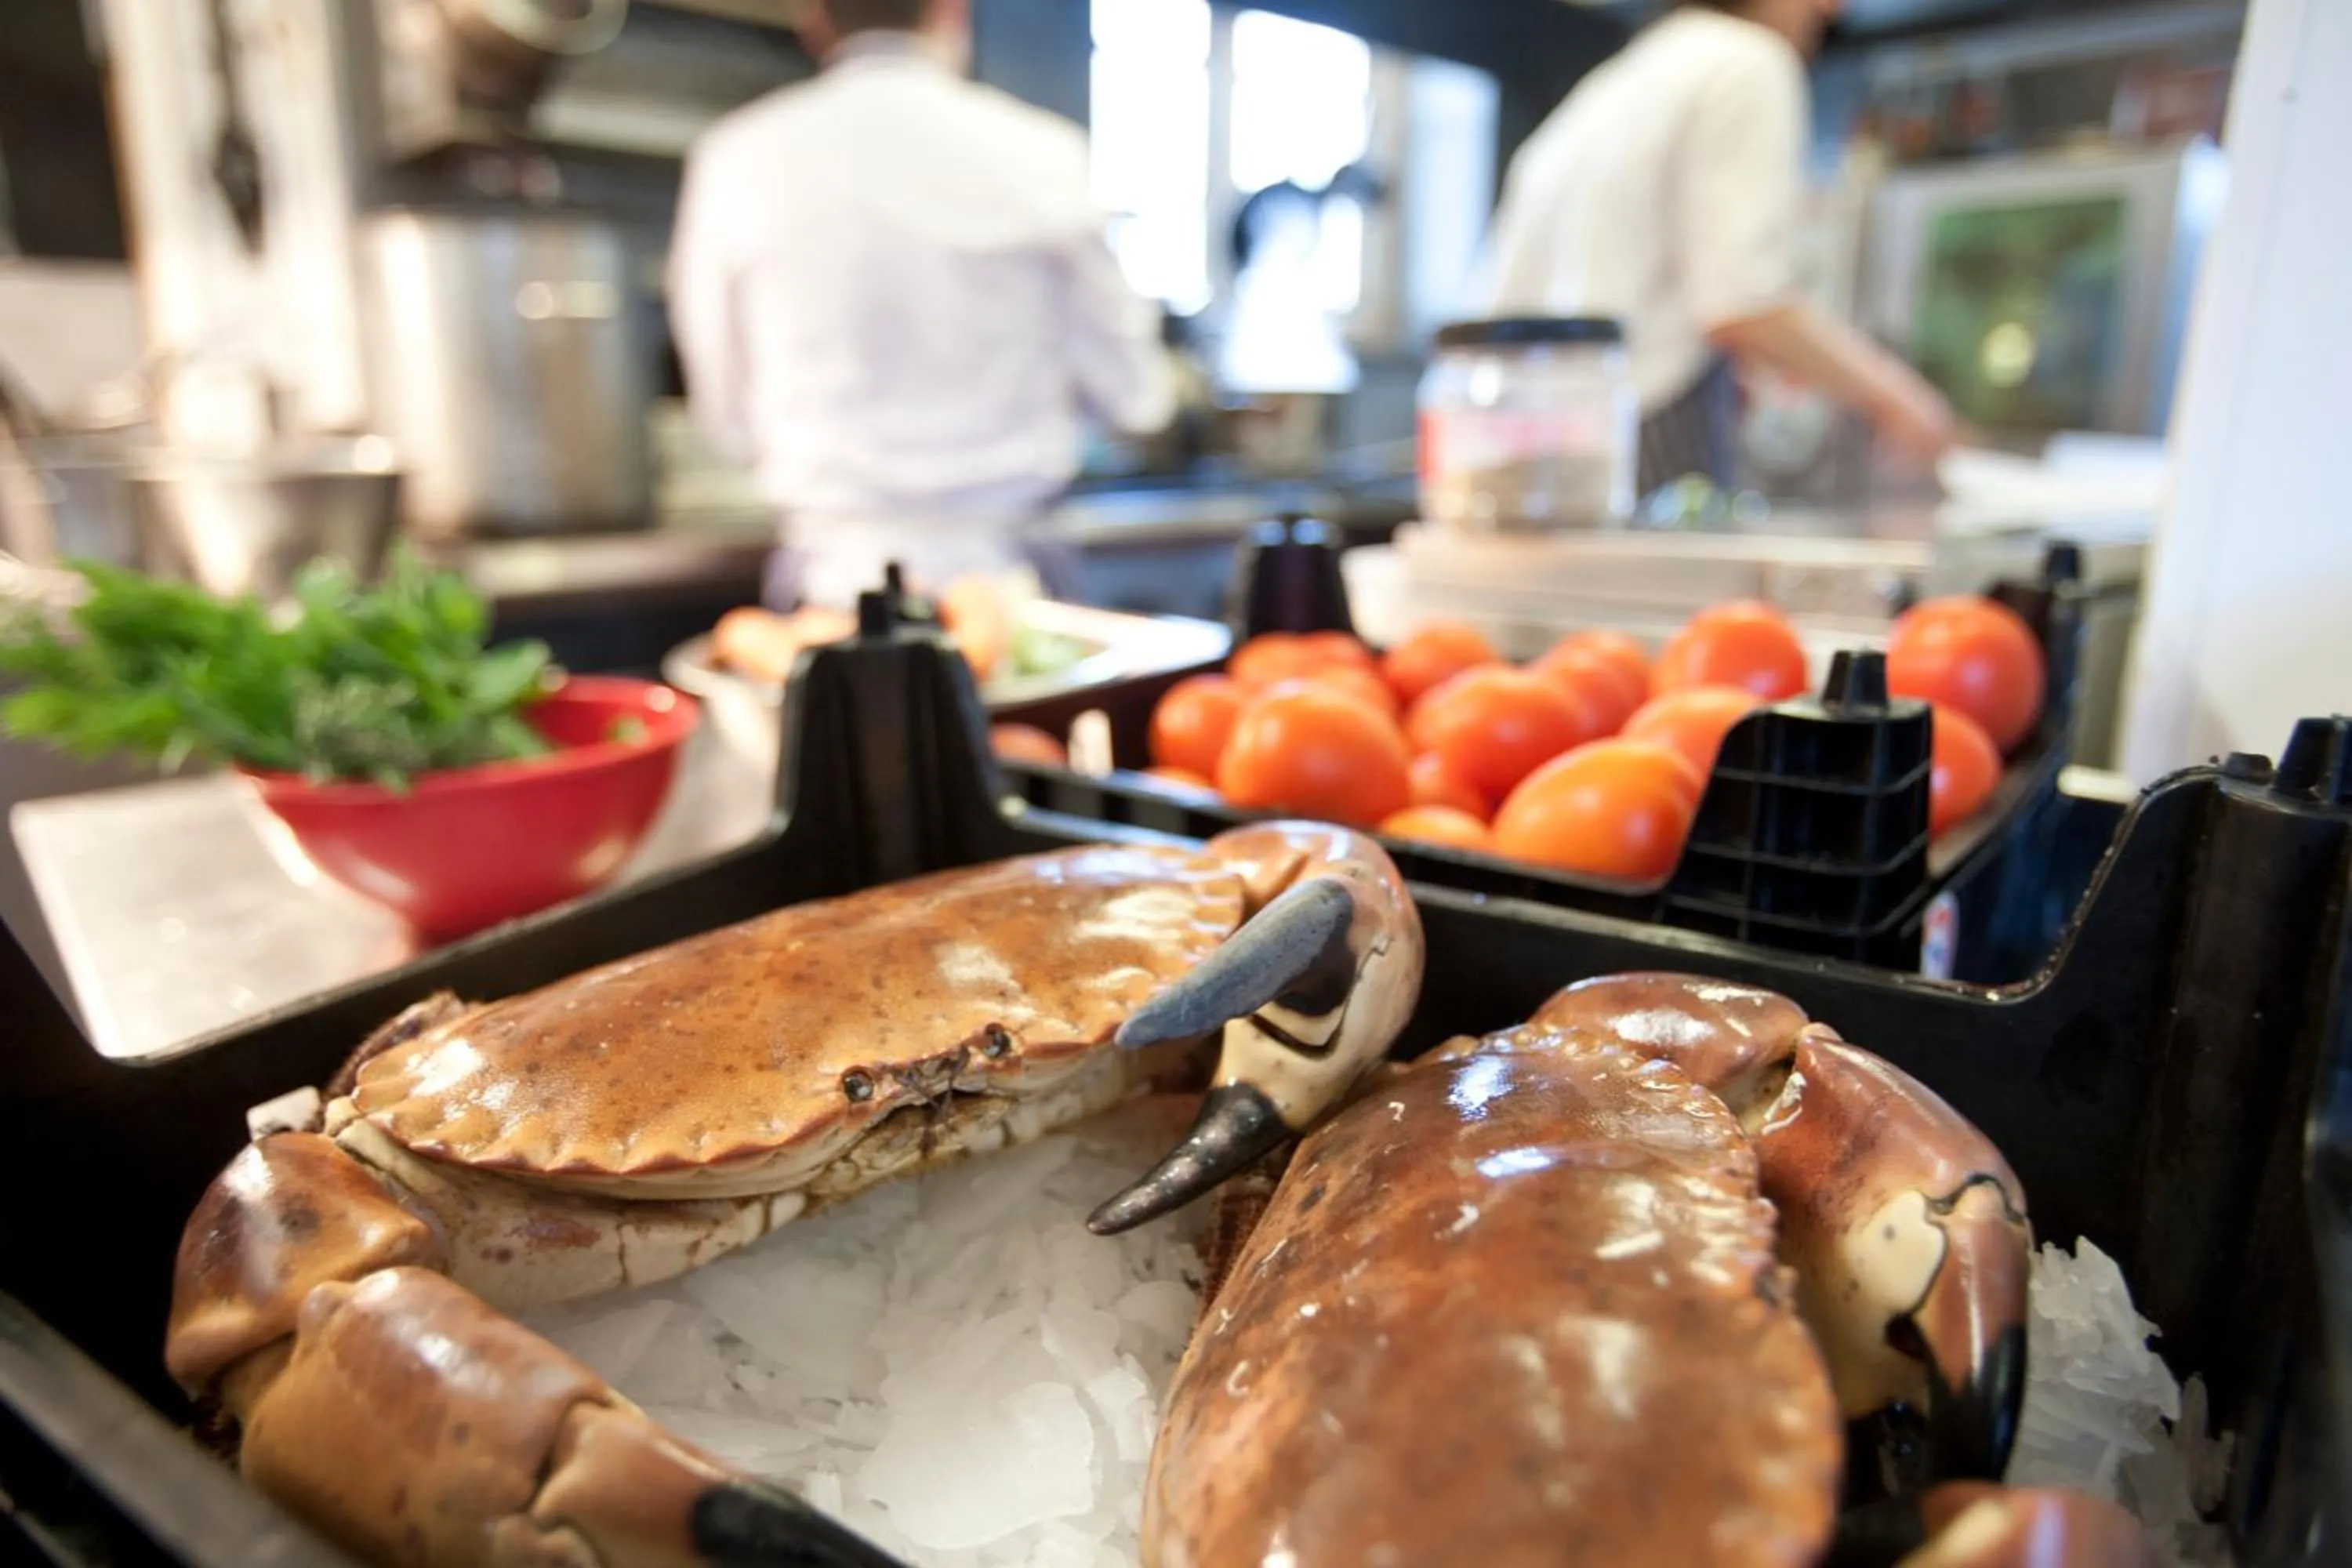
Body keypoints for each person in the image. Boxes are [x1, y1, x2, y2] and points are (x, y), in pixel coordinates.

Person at [668, 0, 1176, 611]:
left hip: (832, 586)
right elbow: (1138, 398)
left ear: (814, 22)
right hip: (1015, 590)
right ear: (953, 11)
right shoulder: (1046, 153)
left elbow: (723, 412)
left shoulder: (737, 157)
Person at [1479, 0, 1957, 495]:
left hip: (1522, 455)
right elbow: (1741, 303)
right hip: (1638, 443)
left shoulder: (1610, 86)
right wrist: (1903, 402)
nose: (1836, 9)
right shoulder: (1746, 63)